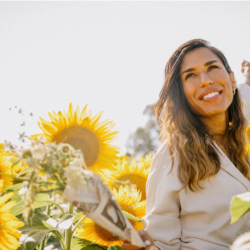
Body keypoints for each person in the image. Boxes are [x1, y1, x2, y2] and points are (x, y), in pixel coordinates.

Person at [122, 39, 250, 250]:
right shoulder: (174, 155)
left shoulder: (243, 146)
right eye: (190, 75)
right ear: (181, 94)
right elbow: (162, 242)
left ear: (232, 79)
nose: (205, 80)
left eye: (212, 67)